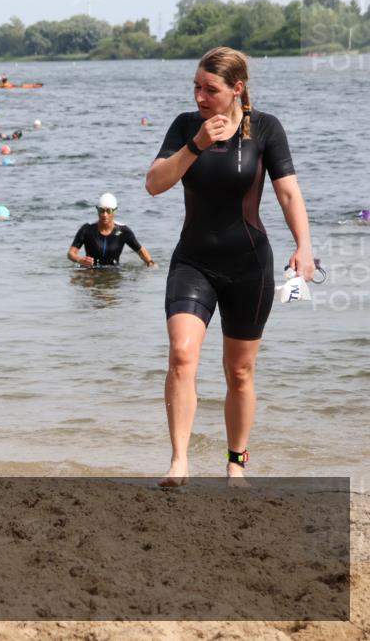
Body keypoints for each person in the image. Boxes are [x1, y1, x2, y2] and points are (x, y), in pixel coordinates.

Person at [145, 47, 315, 486]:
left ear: (236, 89)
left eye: (210, 89)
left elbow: (289, 193)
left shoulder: (266, 129)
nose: (200, 97)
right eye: (196, 88)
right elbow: (155, 184)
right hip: (193, 260)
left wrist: (304, 245)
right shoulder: (186, 127)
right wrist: (196, 145)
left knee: (239, 371)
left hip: (249, 264)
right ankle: (179, 460)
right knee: (182, 355)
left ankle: (235, 462)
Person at [68, 193, 157, 268]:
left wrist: (150, 262)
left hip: (113, 272)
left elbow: (140, 250)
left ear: (114, 211)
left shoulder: (123, 231)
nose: (104, 214)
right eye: (101, 210)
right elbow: (71, 253)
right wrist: (80, 260)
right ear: (97, 210)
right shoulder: (87, 229)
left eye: (108, 211)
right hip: (91, 272)